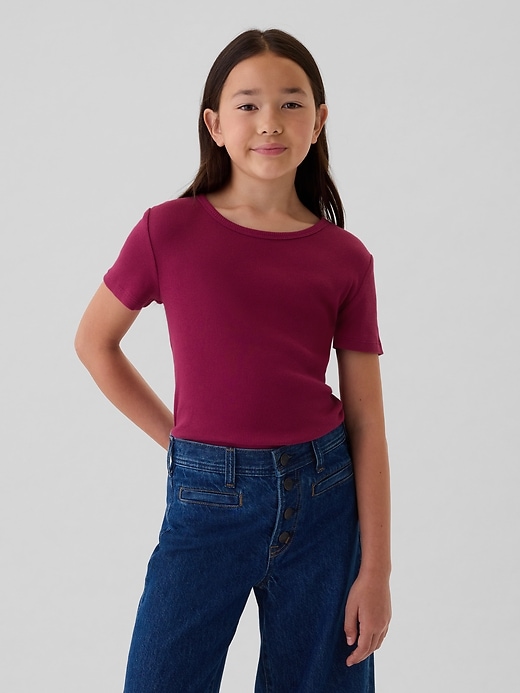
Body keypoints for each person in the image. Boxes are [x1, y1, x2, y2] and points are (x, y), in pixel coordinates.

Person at [75, 28, 391, 693]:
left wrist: (377, 572)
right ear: (215, 124)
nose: (269, 121)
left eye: (291, 103)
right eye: (248, 104)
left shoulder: (345, 258)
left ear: (319, 121)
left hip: (324, 499)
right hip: (205, 500)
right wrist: (178, 442)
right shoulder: (168, 230)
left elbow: (366, 420)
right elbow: (95, 342)